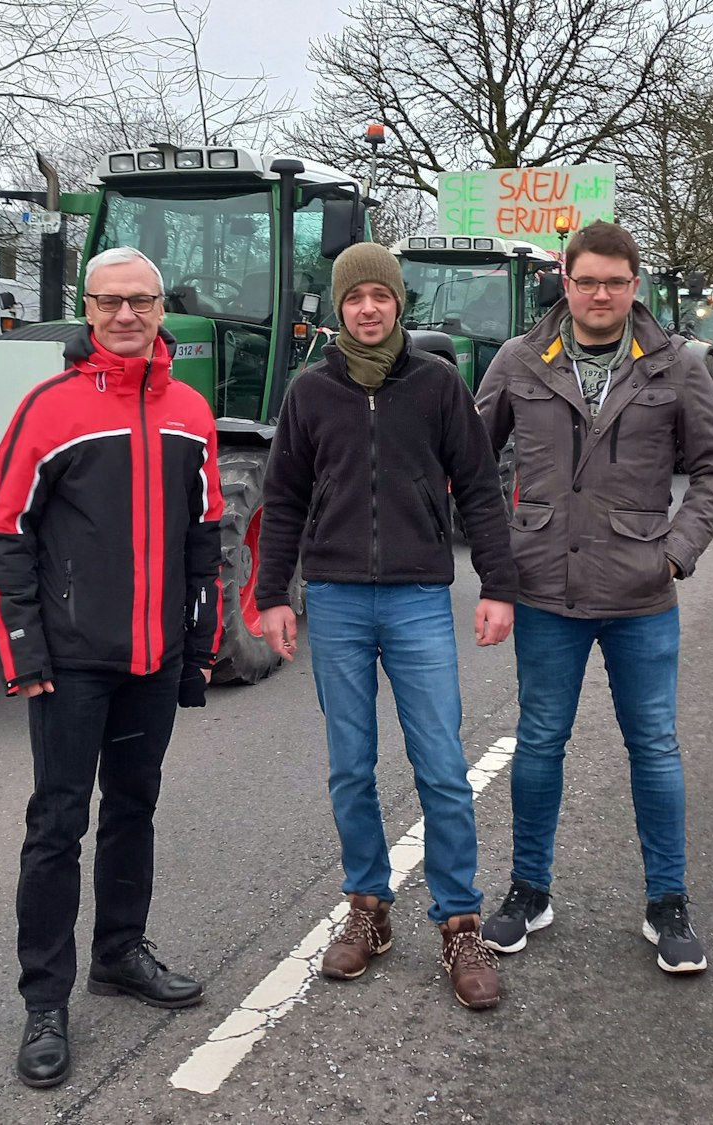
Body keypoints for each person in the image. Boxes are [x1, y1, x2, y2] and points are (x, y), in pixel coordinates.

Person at [0, 246, 222, 1089]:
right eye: (110, 301)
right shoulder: (48, 409)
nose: (125, 315)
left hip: (152, 660)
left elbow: (204, 538)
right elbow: (5, 533)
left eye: (141, 301)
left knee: (133, 807)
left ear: (161, 309)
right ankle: (44, 1002)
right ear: (87, 309)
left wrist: (199, 647)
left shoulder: (191, 411)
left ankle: (119, 952)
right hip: (71, 663)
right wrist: (22, 650)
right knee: (57, 826)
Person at [255, 243, 519, 1010]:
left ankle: (460, 921)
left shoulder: (437, 385)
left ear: (399, 302)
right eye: (354, 297)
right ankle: (368, 908)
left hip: (417, 598)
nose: (367, 308)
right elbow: (283, 498)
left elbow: (479, 487)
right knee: (351, 765)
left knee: (441, 764)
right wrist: (273, 594)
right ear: (339, 307)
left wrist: (498, 585)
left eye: (380, 295)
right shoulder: (309, 392)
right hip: (336, 597)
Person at [474, 221, 713, 972]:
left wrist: (676, 554)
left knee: (653, 744)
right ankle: (529, 890)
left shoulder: (677, 364)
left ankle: (667, 902)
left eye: (615, 283)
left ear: (634, 286)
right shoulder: (518, 360)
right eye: (587, 280)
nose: (600, 294)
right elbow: (468, 460)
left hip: (640, 592)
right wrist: (498, 559)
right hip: (545, 588)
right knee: (539, 741)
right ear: (565, 281)